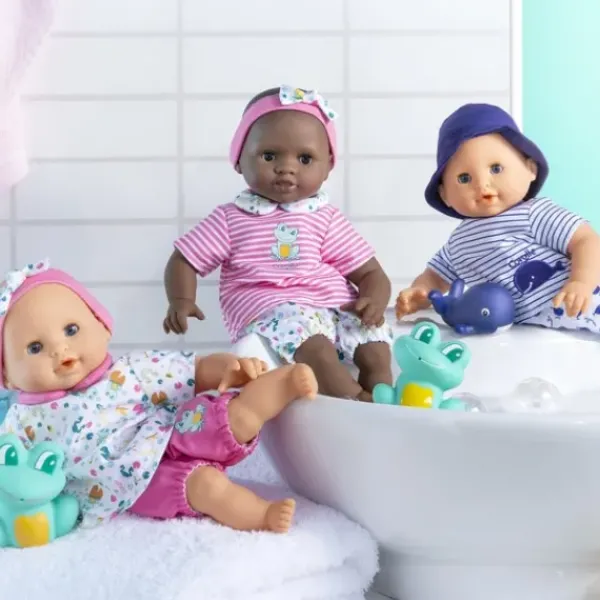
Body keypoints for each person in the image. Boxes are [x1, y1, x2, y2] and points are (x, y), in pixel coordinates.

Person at [0, 260, 317, 531]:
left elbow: (195, 369)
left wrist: (229, 367)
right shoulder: (21, 422)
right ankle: (261, 515)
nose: (60, 349)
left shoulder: (129, 371)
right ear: (8, 376)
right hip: (129, 487)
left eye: (71, 330)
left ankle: (282, 383)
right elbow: (11, 473)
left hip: (168, 430)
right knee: (204, 486)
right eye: (35, 348)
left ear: (102, 326)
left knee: (231, 418)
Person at [163, 85, 393, 401]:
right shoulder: (231, 218)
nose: (287, 167)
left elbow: (370, 272)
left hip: (336, 307)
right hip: (272, 312)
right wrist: (181, 299)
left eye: (305, 158)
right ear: (239, 160)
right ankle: (354, 402)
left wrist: (374, 300)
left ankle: (386, 398)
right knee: (317, 350)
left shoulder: (324, 217)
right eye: (269, 156)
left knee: (375, 347)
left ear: (327, 166)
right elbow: (184, 259)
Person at [396, 103, 600, 333]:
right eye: (464, 178)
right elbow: (435, 276)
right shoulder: (458, 245)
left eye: (495, 168)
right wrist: (421, 292)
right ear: (445, 195)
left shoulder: (533, 213)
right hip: (541, 327)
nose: (482, 184)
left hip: (588, 297)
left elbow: (586, 241)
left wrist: (581, 281)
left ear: (530, 169)